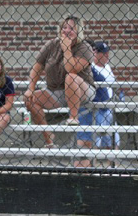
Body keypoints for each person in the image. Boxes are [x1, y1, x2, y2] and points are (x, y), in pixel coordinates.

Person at [24, 16, 96, 147]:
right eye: (64, 27)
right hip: (56, 91)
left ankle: (73, 117)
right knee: (31, 99)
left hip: (82, 90)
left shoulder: (85, 47)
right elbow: (37, 67)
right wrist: (30, 88)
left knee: (71, 77)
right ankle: (49, 138)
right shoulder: (52, 44)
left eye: (71, 28)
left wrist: (67, 49)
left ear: (79, 31)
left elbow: (71, 69)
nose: (67, 31)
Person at [75, 41, 120, 167]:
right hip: (94, 109)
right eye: (103, 53)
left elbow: (112, 88)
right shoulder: (91, 68)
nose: (107, 56)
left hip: (108, 109)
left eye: (107, 53)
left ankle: (114, 169)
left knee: (112, 141)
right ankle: (88, 170)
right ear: (94, 53)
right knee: (90, 143)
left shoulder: (107, 67)